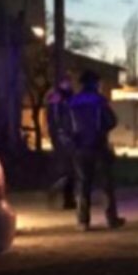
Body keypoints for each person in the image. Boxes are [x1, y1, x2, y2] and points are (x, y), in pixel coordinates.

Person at [68, 70, 126, 231]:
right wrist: (101, 132)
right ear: (94, 84)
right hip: (98, 146)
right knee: (106, 184)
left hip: (79, 148)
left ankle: (83, 221)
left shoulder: (72, 102)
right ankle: (111, 219)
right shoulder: (99, 101)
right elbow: (111, 121)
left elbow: (66, 126)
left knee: (83, 184)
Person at [45, 78, 77, 210]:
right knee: (69, 169)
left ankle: (68, 198)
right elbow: (56, 120)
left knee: (71, 169)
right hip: (63, 139)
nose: (68, 85)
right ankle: (62, 194)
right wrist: (61, 135)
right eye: (66, 83)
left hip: (68, 138)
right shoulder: (57, 100)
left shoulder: (68, 99)